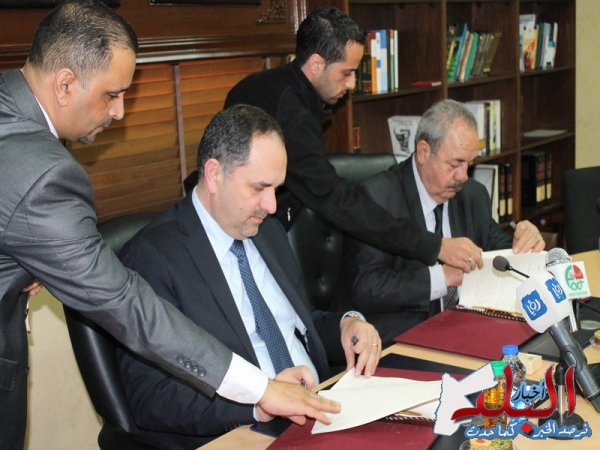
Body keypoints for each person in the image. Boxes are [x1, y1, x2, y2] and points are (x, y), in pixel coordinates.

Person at [0, 2, 338, 448]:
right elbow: (126, 303)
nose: (120, 112)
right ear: (65, 84)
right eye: (112, 94)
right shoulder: (44, 172)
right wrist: (260, 389)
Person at [116, 104, 382, 449]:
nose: (272, 206)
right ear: (214, 174)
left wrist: (347, 324)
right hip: (244, 433)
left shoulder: (267, 232)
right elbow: (151, 395)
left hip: (319, 411)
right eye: (259, 188)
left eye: (276, 189)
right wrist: (259, 402)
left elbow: (298, 325)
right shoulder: (154, 257)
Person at [224, 6, 483, 274]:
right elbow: (336, 200)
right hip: (252, 242)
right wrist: (434, 245)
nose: (352, 83)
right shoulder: (296, 120)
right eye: (346, 73)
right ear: (316, 64)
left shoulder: (253, 84)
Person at [343, 99, 546, 345]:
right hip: (404, 339)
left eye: (469, 163)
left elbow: (500, 257)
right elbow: (366, 287)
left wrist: (525, 245)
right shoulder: (377, 199)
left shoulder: (473, 195)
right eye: (455, 164)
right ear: (423, 152)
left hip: (469, 330)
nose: (463, 176)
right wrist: (442, 278)